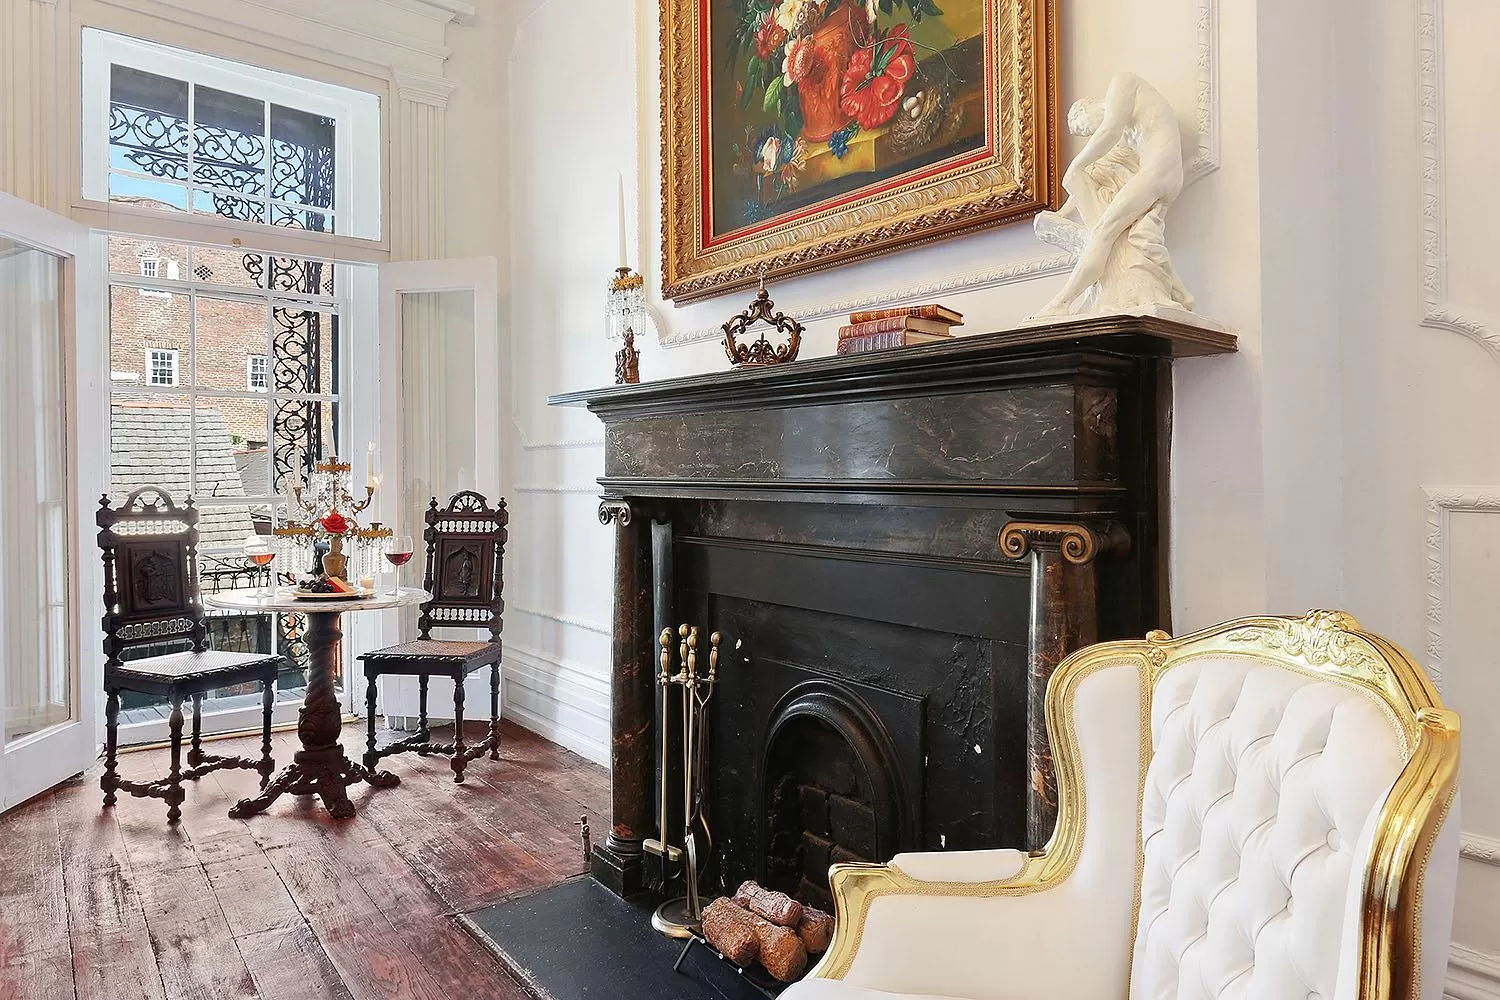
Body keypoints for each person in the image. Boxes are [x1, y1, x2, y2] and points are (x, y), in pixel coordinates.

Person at [1036, 73, 1193, 317]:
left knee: (1102, 232)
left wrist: (1074, 166)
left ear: (1086, 108)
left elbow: (1109, 130)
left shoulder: (1123, 83)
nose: (1090, 132)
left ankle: (1062, 302)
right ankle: (1182, 293)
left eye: (1086, 126)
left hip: (1158, 171)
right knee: (1141, 238)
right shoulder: (1131, 130)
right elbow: (1098, 170)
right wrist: (1062, 212)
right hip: (1164, 175)